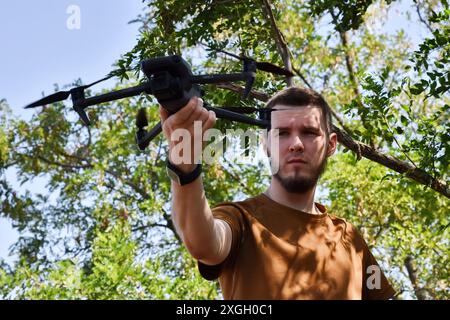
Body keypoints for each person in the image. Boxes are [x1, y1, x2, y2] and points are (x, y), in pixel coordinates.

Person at [159, 86, 395, 300]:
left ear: (331, 144)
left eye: (310, 132)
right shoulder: (240, 221)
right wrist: (184, 163)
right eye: (282, 133)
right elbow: (204, 243)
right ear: (265, 143)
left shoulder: (351, 240)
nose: (296, 144)